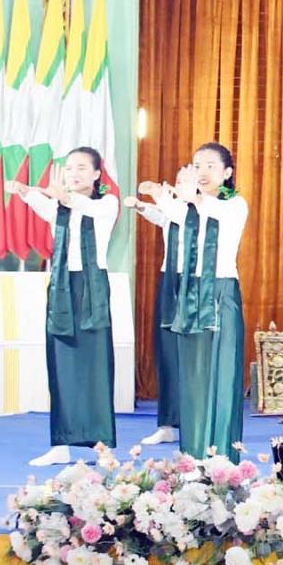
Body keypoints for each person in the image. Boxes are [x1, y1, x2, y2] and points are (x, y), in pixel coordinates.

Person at [8, 147, 119, 467]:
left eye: (82, 168)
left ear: (97, 174)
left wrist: (64, 197)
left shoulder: (106, 203)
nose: (73, 173)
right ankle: (60, 444)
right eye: (69, 168)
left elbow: (82, 206)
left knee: (96, 368)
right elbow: (42, 203)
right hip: (61, 287)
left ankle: (102, 447)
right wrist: (24, 190)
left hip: (91, 288)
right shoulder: (59, 207)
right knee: (60, 365)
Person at [154, 143, 248, 461]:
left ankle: (222, 455)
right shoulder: (189, 209)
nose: (202, 172)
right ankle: (192, 454)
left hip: (220, 293)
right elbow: (171, 213)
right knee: (193, 375)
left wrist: (191, 197)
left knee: (222, 373)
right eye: (197, 165)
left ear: (227, 172)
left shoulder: (235, 205)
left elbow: (215, 212)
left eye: (210, 166)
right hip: (191, 293)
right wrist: (163, 195)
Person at [130, 183, 183, 447]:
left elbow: (173, 213)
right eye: (179, 182)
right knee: (167, 354)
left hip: (199, 284)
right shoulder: (172, 210)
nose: (180, 186)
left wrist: (159, 199)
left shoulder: (207, 210)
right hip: (170, 282)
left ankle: (199, 424)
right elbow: (162, 217)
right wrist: (142, 206)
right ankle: (166, 425)